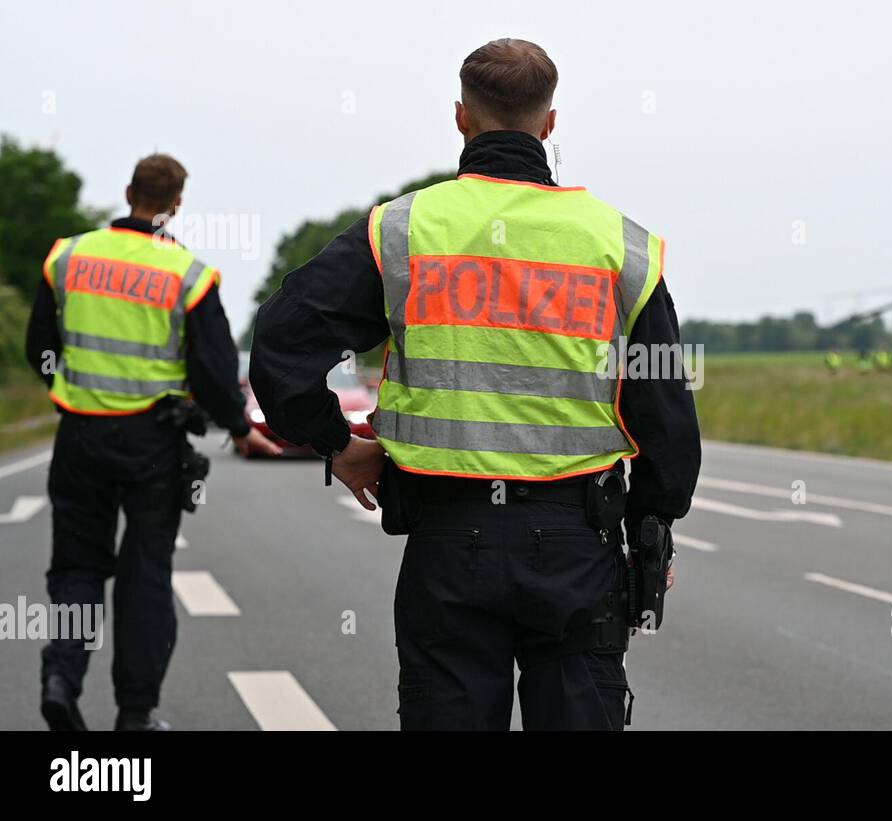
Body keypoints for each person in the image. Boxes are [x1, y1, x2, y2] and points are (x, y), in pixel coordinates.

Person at [250, 38, 700, 730]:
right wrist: (651, 519)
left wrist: (339, 446)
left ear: (461, 117)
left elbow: (280, 345)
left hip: (448, 543)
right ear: (550, 124)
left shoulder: (400, 232)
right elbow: (665, 412)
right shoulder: (621, 246)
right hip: (577, 545)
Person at [25, 153, 281, 731]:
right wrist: (242, 430)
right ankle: (134, 717)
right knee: (145, 578)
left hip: (79, 438)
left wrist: (73, 389)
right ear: (176, 205)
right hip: (152, 446)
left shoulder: (68, 257)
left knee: (76, 568)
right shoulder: (187, 276)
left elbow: (39, 346)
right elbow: (216, 373)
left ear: (127, 192)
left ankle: (61, 678)